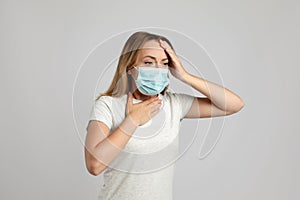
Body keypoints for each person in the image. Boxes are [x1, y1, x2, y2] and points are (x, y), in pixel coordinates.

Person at [84, 31, 244, 200]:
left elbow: (234, 105)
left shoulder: (173, 104)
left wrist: (185, 76)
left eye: (164, 63)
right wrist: (132, 121)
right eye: (148, 62)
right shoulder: (108, 105)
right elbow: (94, 165)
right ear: (130, 68)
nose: (158, 69)